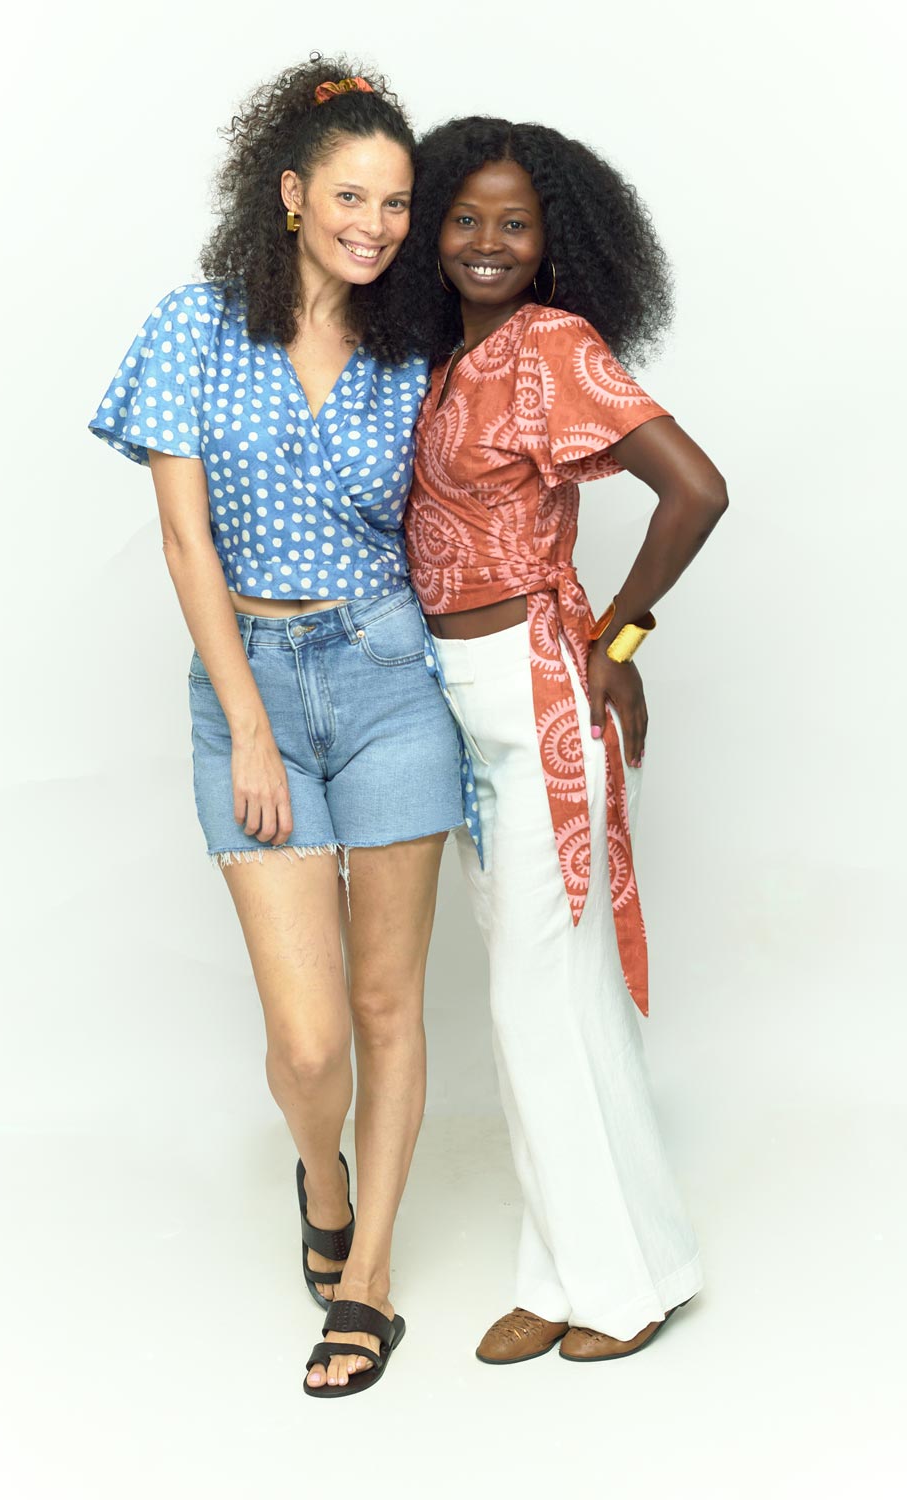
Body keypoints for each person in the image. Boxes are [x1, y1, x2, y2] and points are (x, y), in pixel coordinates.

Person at [89, 59, 466, 1398]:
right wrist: (247, 725)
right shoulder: (193, 327)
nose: (376, 224)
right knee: (308, 1042)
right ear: (294, 193)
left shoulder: (414, 351)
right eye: (352, 195)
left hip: (386, 680)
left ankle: (367, 1282)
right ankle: (324, 1181)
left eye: (398, 202)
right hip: (248, 682)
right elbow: (185, 543)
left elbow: (468, 517)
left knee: (385, 1003)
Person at [398, 116, 728, 1364]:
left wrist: (616, 644)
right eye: (465, 217)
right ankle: (619, 1262)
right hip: (459, 696)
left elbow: (695, 487)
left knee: (534, 997)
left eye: (513, 223)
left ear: (554, 246)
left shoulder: (548, 348)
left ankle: (606, 1290)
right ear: (434, 225)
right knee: (562, 996)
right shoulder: (446, 357)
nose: (486, 241)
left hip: (534, 694)